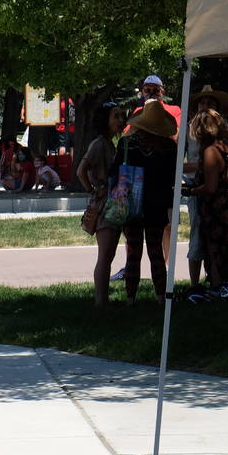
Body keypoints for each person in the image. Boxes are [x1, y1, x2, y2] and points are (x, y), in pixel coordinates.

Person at [111, 102, 178, 305]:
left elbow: (114, 171)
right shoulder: (169, 148)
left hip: (131, 203)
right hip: (157, 204)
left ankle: (130, 298)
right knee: (156, 251)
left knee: (133, 251)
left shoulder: (126, 144)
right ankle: (161, 298)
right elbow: (172, 178)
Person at [185, 108, 228, 289]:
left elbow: (210, 187)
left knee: (215, 248)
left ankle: (218, 288)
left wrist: (191, 191)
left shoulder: (211, 151)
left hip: (217, 207)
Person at [76, 103, 126, 307]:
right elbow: (81, 170)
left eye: (122, 116)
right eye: (116, 116)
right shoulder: (98, 144)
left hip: (112, 202)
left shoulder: (109, 144)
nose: (120, 120)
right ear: (105, 119)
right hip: (104, 206)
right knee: (105, 255)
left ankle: (103, 300)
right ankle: (100, 302)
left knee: (110, 253)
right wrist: (93, 190)